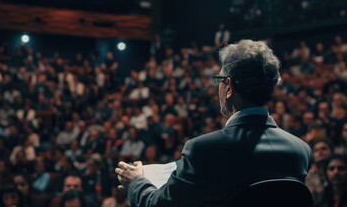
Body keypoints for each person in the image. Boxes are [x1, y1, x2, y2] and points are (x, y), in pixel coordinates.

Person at [115, 40, 313, 206]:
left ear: (229, 86)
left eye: (219, 80)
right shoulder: (301, 151)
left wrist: (136, 181)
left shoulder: (202, 150)